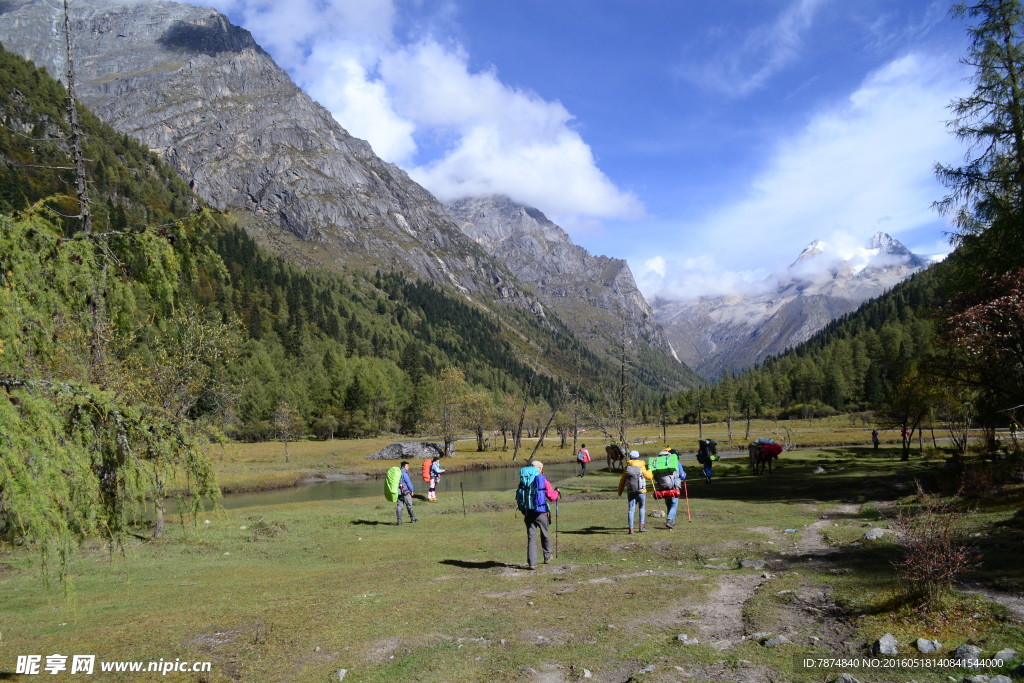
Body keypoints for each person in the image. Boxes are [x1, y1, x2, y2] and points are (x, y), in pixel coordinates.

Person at [518, 460, 560, 569]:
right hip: (541, 512)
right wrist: (557, 493)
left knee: (531, 538)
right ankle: (547, 556)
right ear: (540, 469)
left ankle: (532, 563)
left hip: (528, 512)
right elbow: (551, 497)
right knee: (545, 534)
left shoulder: (523, 479)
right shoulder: (543, 479)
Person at [617, 450, 653, 534]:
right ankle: (641, 526)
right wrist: (650, 470)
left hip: (631, 492)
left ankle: (631, 528)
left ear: (630, 457)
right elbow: (649, 477)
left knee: (631, 510)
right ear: (638, 457)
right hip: (641, 491)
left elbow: (622, 481)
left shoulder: (627, 468)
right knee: (642, 508)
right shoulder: (641, 466)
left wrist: (620, 491)